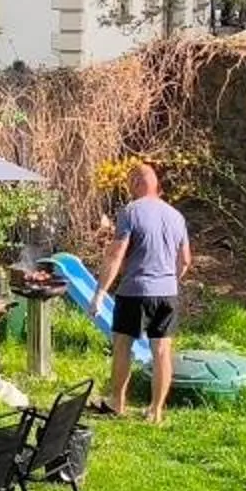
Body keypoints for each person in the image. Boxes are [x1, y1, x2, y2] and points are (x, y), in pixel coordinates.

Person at [93, 162, 192, 423]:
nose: (127, 188)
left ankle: (117, 402)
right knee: (162, 351)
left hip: (134, 291)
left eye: (128, 182)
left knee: (122, 345)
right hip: (167, 292)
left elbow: (116, 254)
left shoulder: (130, 212)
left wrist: (100, 292)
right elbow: (185, 261)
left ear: (137, 182)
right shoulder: (176, 216)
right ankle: (155, 411)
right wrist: (169, 280)